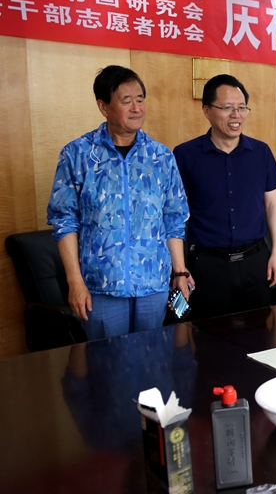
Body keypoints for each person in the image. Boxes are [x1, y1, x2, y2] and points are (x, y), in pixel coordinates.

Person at [47, 65, 191, 340]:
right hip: (101, 286)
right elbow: (64, 221)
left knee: (152, 358)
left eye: (140, 99)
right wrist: (74, 281)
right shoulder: (78, 154)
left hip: (153, 285)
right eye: (126, 101)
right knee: (106, 361)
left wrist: (180, 271)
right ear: (103, 107)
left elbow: (173, 218)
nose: (136, 108)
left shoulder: (160, 157)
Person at [173, 74, 276, 319]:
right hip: (208, 265)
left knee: (258, 331)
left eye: (242, 107)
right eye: (227, 108)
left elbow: (273, 205)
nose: (236, 115)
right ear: (207, 110)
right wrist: (179, 268)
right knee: (208, 335)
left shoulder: (261, 152)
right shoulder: (185, 155)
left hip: (256, 261)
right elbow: (174, 216)